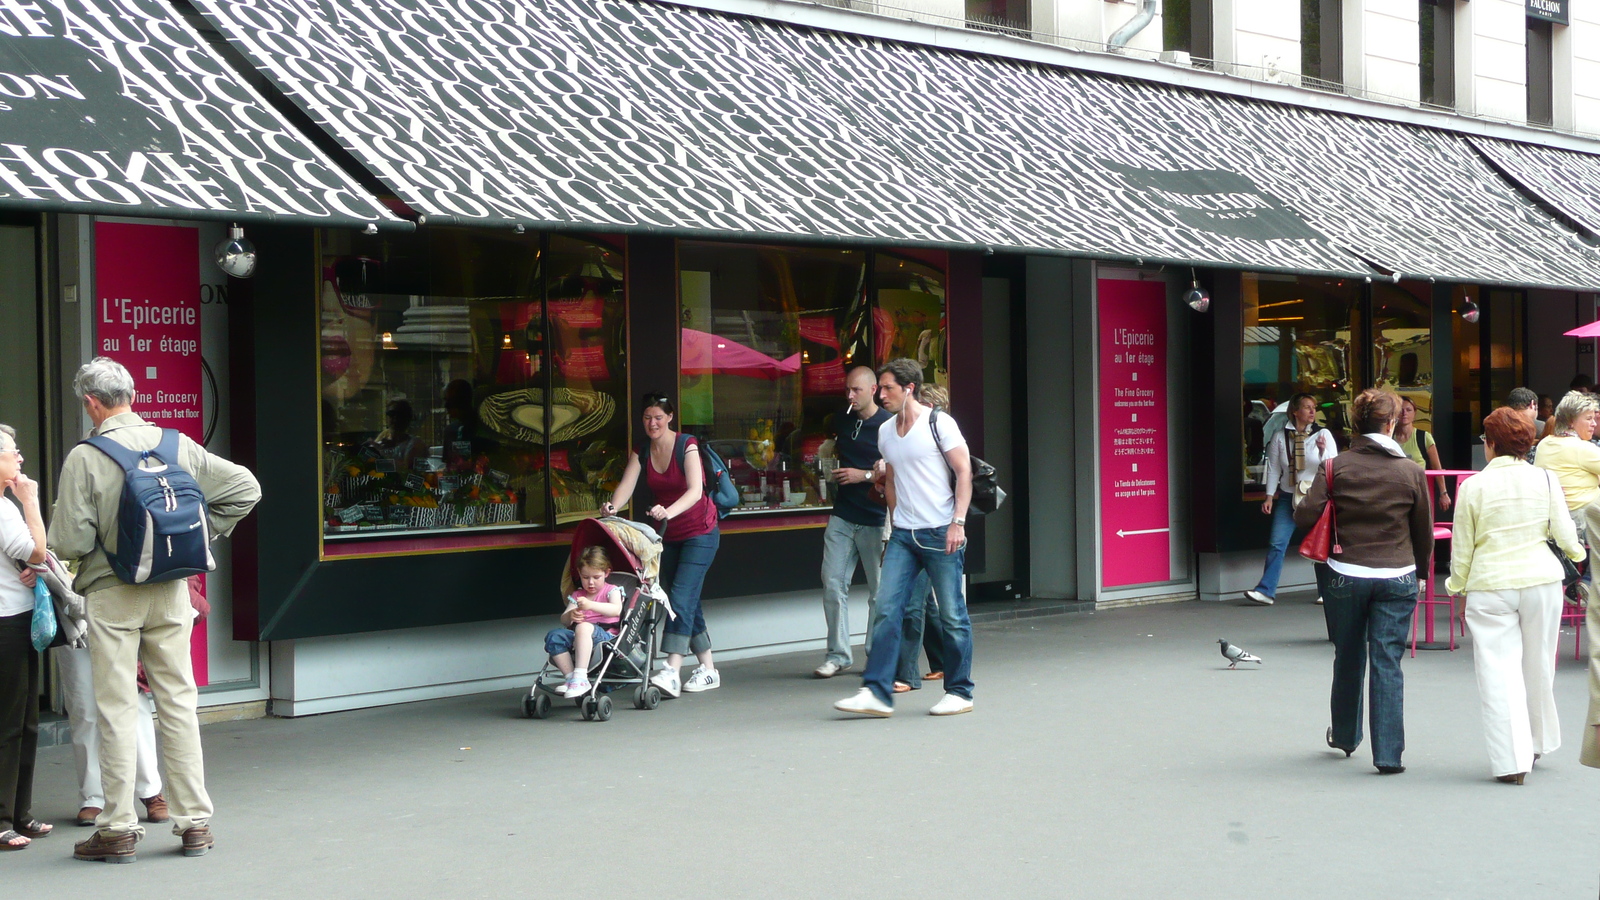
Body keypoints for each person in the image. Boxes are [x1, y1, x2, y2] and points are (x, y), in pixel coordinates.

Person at [48, 358, 261, 863]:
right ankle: (195, 823)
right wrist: (197, 538)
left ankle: (118, 827)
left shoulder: (86, 455)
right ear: (131, 394)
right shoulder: (176, 443)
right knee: (179, 704)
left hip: (111, 593)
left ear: (91, 403)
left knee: (118, 707)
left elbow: (69, 539)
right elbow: (246, 489)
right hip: (171, 592)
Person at [1295, 388, 1432, 775]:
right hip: (1397, 575)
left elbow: (1306, 517)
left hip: (1345, 574)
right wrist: (1420, 573)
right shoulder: (1411, 471)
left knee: (1349, 654)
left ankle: (1344, 735)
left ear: (1357, 424)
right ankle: (1388, 755)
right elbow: (1422, 532)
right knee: (1388, 661)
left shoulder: (1336, 467)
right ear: (1391, 424)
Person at [1447, 408, 1582, 785]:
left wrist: (1456, 587)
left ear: (1490, 444)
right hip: (1541, 580)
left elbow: (1462, 550)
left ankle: (1511, 760)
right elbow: (1566, 535)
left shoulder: (1472, 487)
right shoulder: (1545, 479)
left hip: (1490, 584)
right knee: (1539, 665)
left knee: (1497, 672)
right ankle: (1537, 742)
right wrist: (1578, 556)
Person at [834, 359, 975, 718]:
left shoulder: (938, 423)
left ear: (909, 388)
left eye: (888, 388)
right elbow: (892, 480)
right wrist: (895, 526)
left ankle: (959, 691)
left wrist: (957, 522)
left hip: (941, 530)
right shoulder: (885, 432)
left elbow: (964, 471)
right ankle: (877, 692)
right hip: (903, 535)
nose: (881, 395)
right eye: (879, 388)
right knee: (885, 609)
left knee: (952, 615)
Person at [602, 392, 719, 697]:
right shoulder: (642, 449)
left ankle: (671, 670)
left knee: (680, 597)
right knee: (686, 598)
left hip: (701, 532)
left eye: (658, 417)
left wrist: (668, 510)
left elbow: (696, 491)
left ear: (670, 417)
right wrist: (613, 507)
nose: (652, 423)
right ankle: (708, 669)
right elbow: (627, 484)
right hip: (667, 535)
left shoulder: (687, 444)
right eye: (647, 417)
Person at [814, 366, 893, 679]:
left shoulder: (888, 425)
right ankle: (838, 654)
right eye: (847, 389)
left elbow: (899, 470)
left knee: (878, 592)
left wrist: (866, 475)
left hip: (876, 518)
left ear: (873, 390)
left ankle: (875, 655)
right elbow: (832, 451)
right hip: (843, 514)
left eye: (856, 390)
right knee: (832, 583)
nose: (850, 395)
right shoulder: (843, 420)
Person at [0, 424, 50, 850]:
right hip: (8, 621)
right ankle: (5, 818)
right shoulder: (5, 508)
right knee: (13, 723)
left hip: (14, 618)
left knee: (25, 722)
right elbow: (35, 552)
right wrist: (30, 501)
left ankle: (20, 813)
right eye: (12, 453)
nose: (19, 460)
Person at [1245, 393, 1338, 606]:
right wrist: (1269, 496)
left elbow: (1333, 467)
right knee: (1277, 543)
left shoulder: (1322, 434)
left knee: (1320, 544)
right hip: (1288, 496)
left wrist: (1323, 452)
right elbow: (1274, 468)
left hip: (1315, 498)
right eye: (1307, 407)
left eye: (1314, 407)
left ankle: (1326, 591)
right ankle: (1266, 591)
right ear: (1295, 411)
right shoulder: (1280, 436)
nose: (1313, 411)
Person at [56, 646, 165, 827]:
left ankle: (150, 790)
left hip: (120, 621)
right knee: (83, 708)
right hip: (75, 624)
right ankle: (92, 797)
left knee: (132, 702)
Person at [895, 383, 952, 693]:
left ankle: (905, 675)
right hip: (915, 529)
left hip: (931, 530)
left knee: (912, 604)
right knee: (925, 602)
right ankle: (943, 663)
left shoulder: (938, 440)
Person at [545, 546, 624, 698]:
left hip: (605, 637)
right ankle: (571, 678)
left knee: (584, 627)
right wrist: (571, 615)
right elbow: (564, 619)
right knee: (554, 635)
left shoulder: (612, 590)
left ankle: (581, 676)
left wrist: (591, 605)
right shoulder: (578, 594)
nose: (591, 583)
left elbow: (616, 610)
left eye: (596, 577)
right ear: (580, 574)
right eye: (586, 577)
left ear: (606, 573)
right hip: (579, 636)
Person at [1534, 391, 1600, 549]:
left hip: (1552, 521)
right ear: (1571, 421)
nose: (1594, 424)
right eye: (1589, 419)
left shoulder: (1545, 443)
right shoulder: (1581, 448)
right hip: (1583, 521)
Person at [1395, 397, 1451, 511]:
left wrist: (1443, 493)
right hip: (1395, 491)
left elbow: (1437, 467)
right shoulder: (1389, 438)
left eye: (1408, 410)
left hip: (1419, 490)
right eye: (1401, 410)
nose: (1404, 413)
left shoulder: (1423, 437)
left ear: (1415, 413)